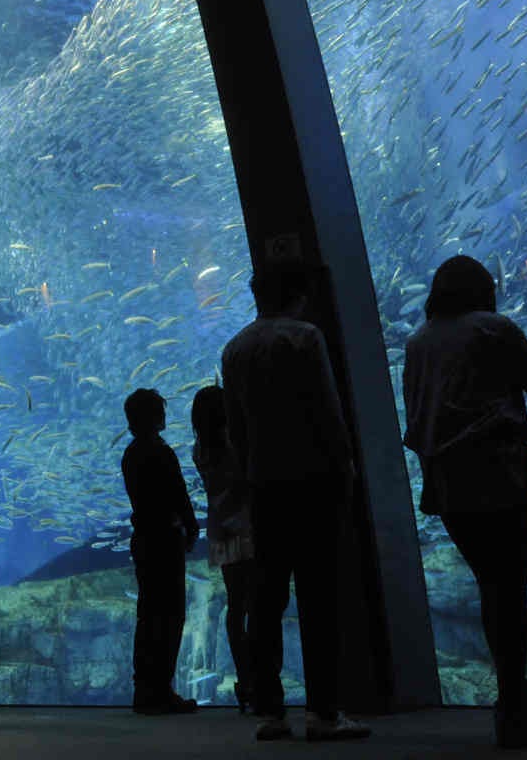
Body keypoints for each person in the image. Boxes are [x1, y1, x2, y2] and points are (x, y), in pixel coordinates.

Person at [404, 254, 527, 750]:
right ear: (482, 289)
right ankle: (511, 709)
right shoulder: (494, 328)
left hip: (448, 487)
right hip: (500, 475)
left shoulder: (419, 341)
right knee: (509, 592)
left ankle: (518, 696)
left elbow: (419, 415)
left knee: (493, 589)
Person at [222, 260, 370, 744]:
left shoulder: (235, 348)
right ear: (298, 294)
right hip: (313, 483)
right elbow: (327, 408)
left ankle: (271, 712)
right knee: (319, 598)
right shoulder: (305, 337)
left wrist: (247, 477)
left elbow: (236, 428)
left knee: (265, 601)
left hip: (263, 487)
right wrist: (345, 465)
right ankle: (324, 713)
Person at [121, 387, 199, 715]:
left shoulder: (130, 453)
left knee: (148, 614)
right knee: (170, 615)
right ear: (154, 416)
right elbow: (178, 494)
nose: (165, 416)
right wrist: (191, 527)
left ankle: (144, 689)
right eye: (161, 410)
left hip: (143, 540)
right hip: (165, 541)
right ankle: (162, 690)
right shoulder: (160, 452)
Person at [191, 384, 254, 713]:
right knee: (257, 604)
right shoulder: (233, 444)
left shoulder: (199, 449)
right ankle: (258, 677)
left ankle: (245, 679)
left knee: (236, 606)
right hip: (247, 527)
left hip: (221, 531)